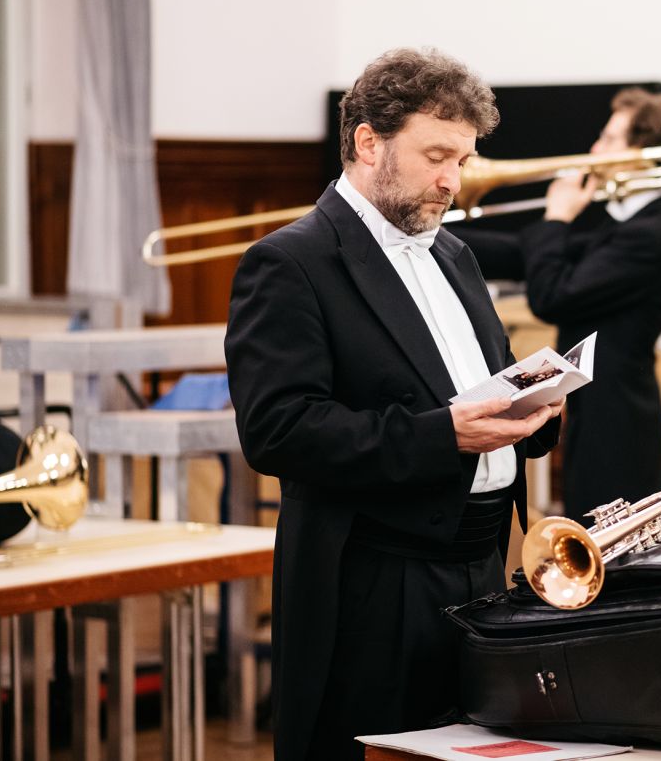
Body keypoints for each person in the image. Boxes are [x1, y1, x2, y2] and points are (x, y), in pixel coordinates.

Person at [224, 48, 563, 761]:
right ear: (367, 142)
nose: (453, 179)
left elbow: (482, 388)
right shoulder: (289, 262)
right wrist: (443, 436)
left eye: (463, 159)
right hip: (373, 582)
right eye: (437, 154)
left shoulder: (453, 254)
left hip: (479, 565)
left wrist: (536, 410)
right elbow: (277, 431)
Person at [455, 88, 661, 524]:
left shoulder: (651, 234)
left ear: (645, 153)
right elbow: (525, 252)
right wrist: (435, 235)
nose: (595, 150)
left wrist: (557, 219)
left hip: (617, 422)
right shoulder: (628, 221)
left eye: (609, 138)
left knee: (610, 548)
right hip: (601, 409)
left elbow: (551, 296)